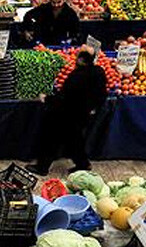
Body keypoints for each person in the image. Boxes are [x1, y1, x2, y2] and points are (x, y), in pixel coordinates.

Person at [27, 47, 107, 175]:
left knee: (51, 139)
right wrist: (94, 108)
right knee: (75, 140)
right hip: (83, 115)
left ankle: (42, 167)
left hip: (66, 114)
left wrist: (46, 99)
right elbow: (102, 94)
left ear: (81, 59)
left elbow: (64, 98)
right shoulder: (99, 72)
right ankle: (83, 164)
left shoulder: (76, 76)